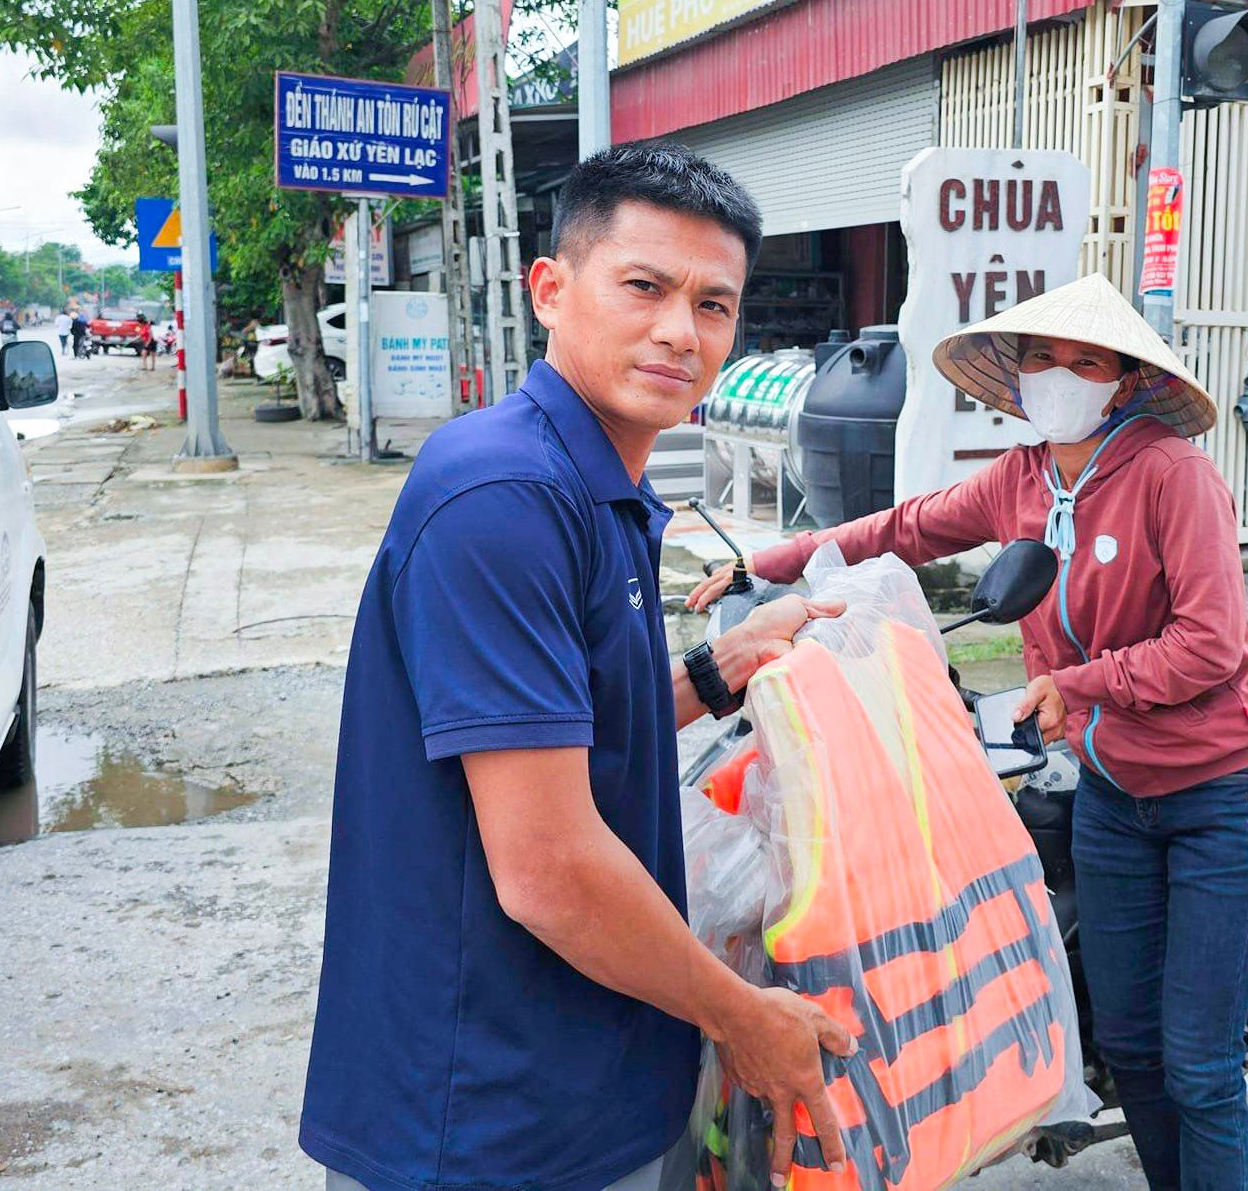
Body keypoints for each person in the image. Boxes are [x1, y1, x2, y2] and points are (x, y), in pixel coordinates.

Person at [300, 143, 855, 1191]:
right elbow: (547, 867)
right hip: (488, 1118)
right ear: (550, 289)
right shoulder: (503, 496)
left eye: (713, 304)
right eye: (642, 286)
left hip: (589, 1073)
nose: (677, 331)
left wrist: (716, 669)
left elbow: (574, 727)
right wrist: (744, 1019)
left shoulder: (597, 486)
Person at [688, 274, 1248, 1191]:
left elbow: (1211, 645)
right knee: (1126, 1043)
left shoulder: (1175, 475)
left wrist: (1077, 683)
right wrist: (761, 569)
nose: (1059, 374)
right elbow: (909, 529)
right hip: (1113, 793)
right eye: (1043, 357)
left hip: (1215, 793)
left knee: (1196, 1064)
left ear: (1123, 381)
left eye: (1084, 361)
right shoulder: (1026, 476)